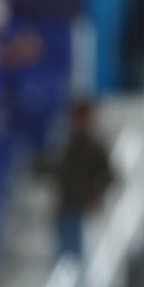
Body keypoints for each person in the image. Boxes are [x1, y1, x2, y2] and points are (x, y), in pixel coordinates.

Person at [51, 99, 112, 259]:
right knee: (64, 259)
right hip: (67, 208)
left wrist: (95, 197)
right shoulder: (66, 146)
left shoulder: (94, 147)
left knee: (83, 258)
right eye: (75, 118)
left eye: (81, 117)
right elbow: (61, 178)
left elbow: (108, 175)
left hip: (84, 211)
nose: (78, 122)